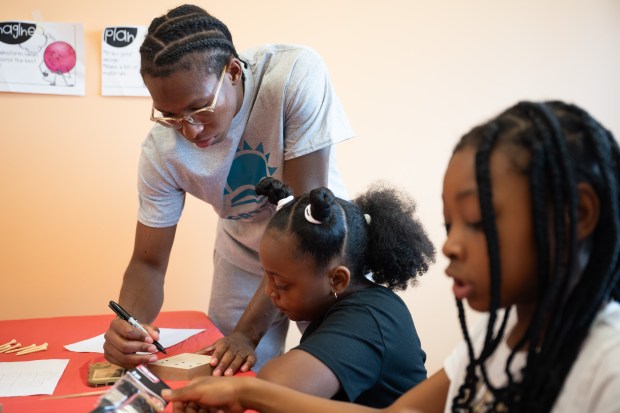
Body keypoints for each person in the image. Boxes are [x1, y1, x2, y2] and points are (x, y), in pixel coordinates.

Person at [161, 100, 620, 413]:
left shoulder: (609, 362)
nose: (451, 247)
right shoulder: (497, 343)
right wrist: (243, 388)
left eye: (477, 223)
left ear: (577, 215)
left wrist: (250, 390)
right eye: (449, 226)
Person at [103, 4, 354, 375]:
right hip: (242, 251)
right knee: (231, 374)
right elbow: (148, 263)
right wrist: (131, 327)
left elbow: (304, 225)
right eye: (169, 116)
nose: (189, 130)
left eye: (199, 109)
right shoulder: (160, 151)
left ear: (233, 71)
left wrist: (247, 333)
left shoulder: (292, 76)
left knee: (336, 366)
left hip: (322, 246)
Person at [251, 177, 434, 407]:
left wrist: (238, 389)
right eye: (267, 276)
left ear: (337, 279)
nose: (269, 291)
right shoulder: (346, 305)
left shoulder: (370, 319)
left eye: (281, 284)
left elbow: (273, 386)